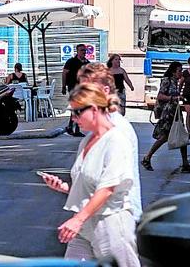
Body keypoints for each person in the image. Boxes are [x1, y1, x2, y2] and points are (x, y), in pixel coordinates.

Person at [41, 84, 140, 267]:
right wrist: (64, 187)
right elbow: (90, 185)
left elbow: (107, 189)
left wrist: (77, 220)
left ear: (94, 110)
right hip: (85, 224)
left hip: (110, 222)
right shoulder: (87, 140)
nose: (73, 118)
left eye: (77, 112)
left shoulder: (117, 141)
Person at [78, 62, 141, 224]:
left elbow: (111, 185)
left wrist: (79, 219)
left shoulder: (117, 129)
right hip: (94, 219)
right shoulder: (95, 128)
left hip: (114, 218)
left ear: (105, 91)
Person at [140, 62, 190, 174]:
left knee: (182, 135)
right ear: (173, 71)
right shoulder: (167, 81)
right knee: (165, 137)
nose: (181, 72)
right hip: (168, 112)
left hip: (175, 112)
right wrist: (173, 98)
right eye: (179, 71)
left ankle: (185, 163)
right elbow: (160, 96)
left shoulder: (176, 82)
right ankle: (147, 157)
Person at [62, 44, 89, 137]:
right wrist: (63, 85)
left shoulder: (87, 63)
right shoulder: (71, 61)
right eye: (81, 50)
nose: (83, 52)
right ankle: (76, 129)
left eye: (84, 50)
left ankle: (70, 127)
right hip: (73, 87)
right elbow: (64, 73)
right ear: (77, 51)